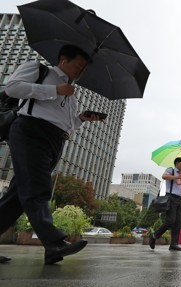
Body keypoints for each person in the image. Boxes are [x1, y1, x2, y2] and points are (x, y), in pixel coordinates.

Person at [0, 45, 104, 265]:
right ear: (63, 60)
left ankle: (52, 249)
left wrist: (83, 118)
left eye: (83, 69)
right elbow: (12, 88)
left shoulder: (70, 92)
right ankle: (54, 242)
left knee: (17, 198)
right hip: (30, 131)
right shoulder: (40, 71)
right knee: (38, 188)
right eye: (78, 66)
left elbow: (66, 124)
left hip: (55, 140)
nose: (80, 72)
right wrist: (55, 90)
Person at [149, 157, 181, 251]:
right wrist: (177, 177)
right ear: (177, 163)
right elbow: (164, 176)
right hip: (171, 197)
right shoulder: (171, 170)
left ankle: (174, 244)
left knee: (178, 222)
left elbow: (179, 189)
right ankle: (154, 235)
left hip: (179, 199)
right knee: (170, 221)